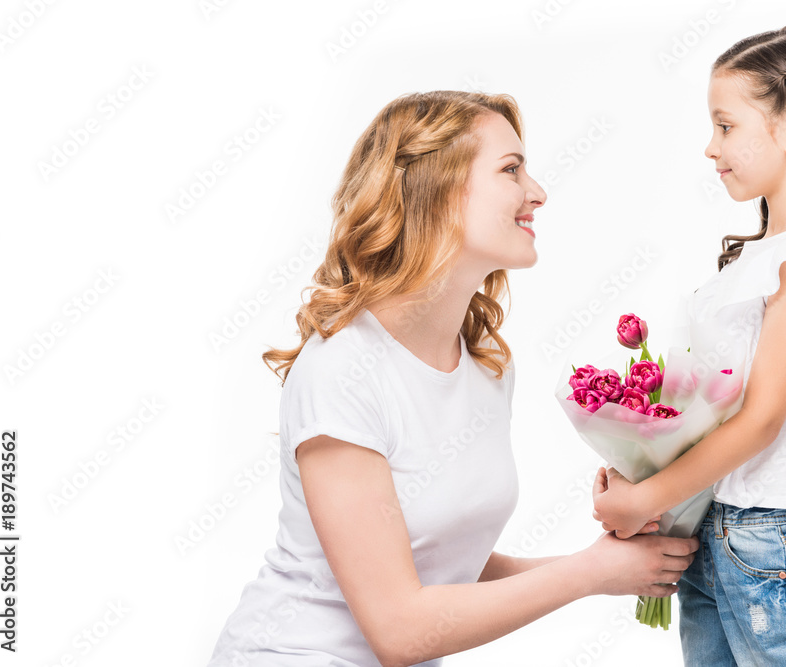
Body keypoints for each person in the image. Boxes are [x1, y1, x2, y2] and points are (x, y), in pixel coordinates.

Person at [207, 90, 699, 667]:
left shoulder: (485, 365)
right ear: (437, 190)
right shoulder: (342, 370)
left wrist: (611, 565)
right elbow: (398, 630)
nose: (537, 192)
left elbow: (444, 562)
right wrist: (588, 574)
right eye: (511, 170)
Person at [592, 25, 786, 666]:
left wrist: (645, 498)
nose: (711, 147)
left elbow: (761, 419)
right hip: (720, 526)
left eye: (726, 126)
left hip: (770, 536)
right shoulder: (768, 258)